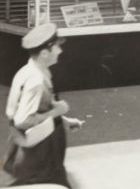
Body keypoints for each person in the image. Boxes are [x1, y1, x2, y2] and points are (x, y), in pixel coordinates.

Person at [2, 23, 84, 188]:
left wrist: (64, 120)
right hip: (37, 156)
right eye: (57, 48)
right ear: (45, 53)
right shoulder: (36, 81)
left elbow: (39, 107)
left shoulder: (30, 71)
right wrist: (57, 111)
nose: (60, 51)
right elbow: (22, 120)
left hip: (35, 151)